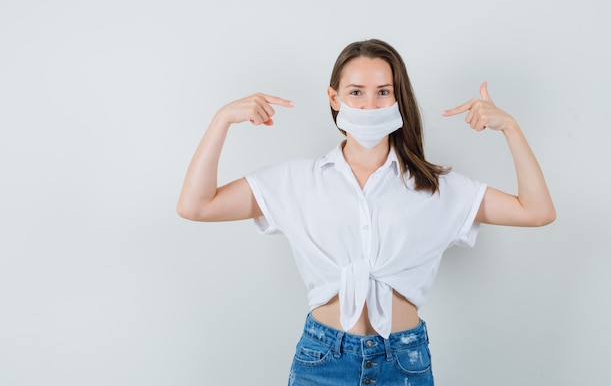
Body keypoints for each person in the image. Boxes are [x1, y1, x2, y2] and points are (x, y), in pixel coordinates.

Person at [177, 39, 556, 386]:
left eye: (383, 93)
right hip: (323, 361)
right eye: (356, 92)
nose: (369, 105)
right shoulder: (296, 181)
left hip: (403, 362)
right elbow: (196, 205)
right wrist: (222, 119)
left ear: (397, 99)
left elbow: (536, 211)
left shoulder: (435, 187)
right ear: (334, 97)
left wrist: (510, 127)